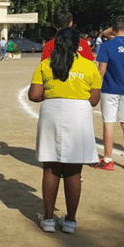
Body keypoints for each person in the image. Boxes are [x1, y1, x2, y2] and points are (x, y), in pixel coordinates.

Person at [29, 26, 102, 234]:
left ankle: (49, 219)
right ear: (78, 45)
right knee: (73, 170)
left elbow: (34, 95)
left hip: (52, 111)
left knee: (50, 167)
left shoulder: (45, 64)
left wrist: (51, 95)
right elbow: (94, 100)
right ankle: (70, 221)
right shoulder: (89, 67)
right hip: (79, 113)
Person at [95, 15, 124, 169]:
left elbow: (101, 69)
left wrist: (94, 86)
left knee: (109, 123)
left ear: (113, 28)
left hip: (110, 88)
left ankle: (108, 160)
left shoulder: (107, 46)